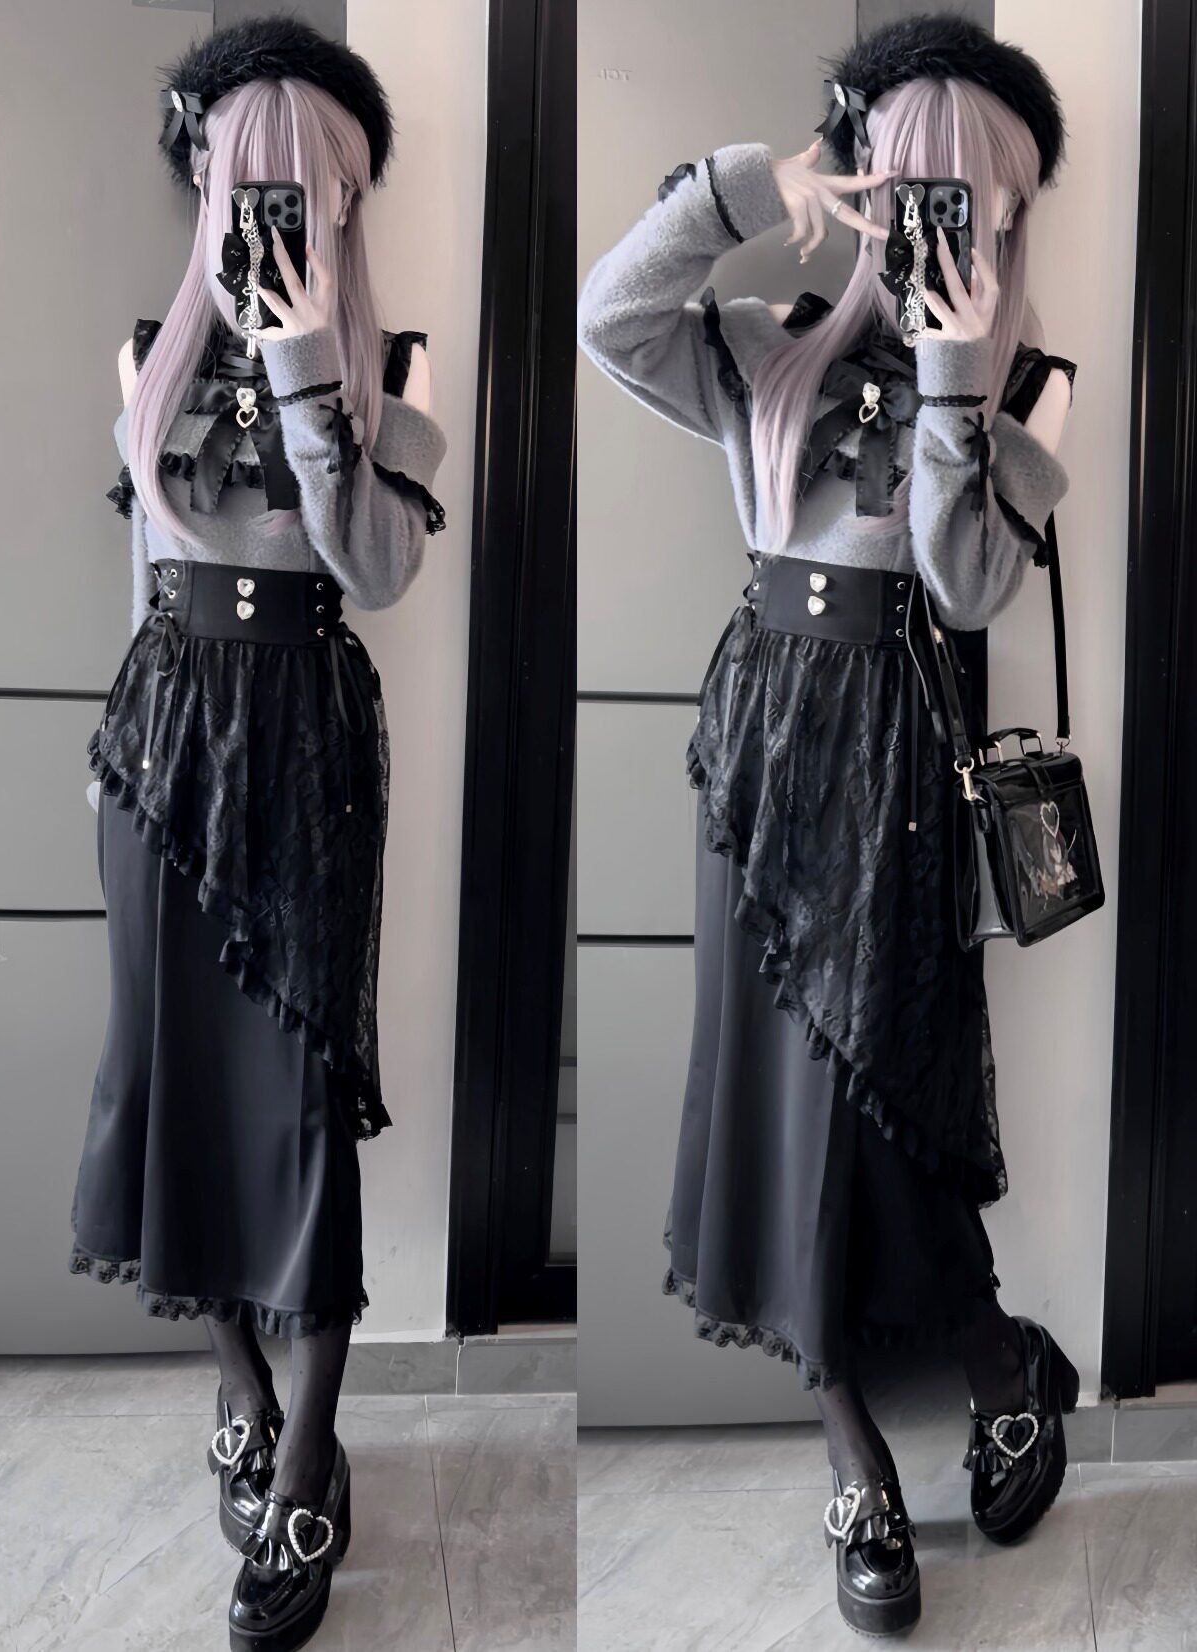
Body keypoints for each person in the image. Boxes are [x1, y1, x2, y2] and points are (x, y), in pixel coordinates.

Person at [578, 13, 1077, 1637]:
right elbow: (608, 317)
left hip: (903, 766)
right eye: (918, 181)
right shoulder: (768, 346)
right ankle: (855, 1460)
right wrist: (745, 192)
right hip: (763, 748)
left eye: (976, 194)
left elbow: (964, 584)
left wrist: (957, 372)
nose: (947, 216)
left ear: (1010, 212)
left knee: (891, 1103)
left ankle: (999, 1367)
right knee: (781, 1104)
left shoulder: (1032, 387)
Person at [67, 18, 446, 1649]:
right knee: (169, 1079)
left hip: (304, 754)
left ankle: (307, 1456)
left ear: (344, 197)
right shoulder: (144, 358)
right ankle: (235, 1380)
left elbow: (376, 571)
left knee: (296, 1107)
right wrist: (115, 764)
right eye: (245, 180)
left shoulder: (391, 372)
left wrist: (301, 364)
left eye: (301, 184)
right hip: (162, 751)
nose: (270, 207)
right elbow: (146, 576)